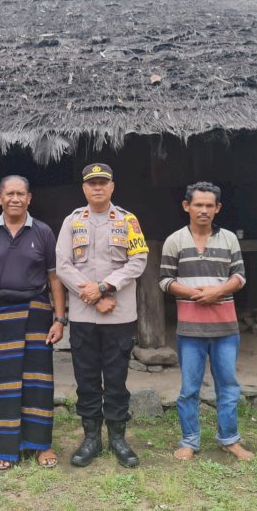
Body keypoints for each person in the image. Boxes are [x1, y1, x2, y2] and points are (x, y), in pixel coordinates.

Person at [0, 175, 67, 470]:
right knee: (3, 383)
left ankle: (41, 445)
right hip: (0, 312)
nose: (15, 199)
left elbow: (54, 278)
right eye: (9, 194)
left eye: (20, 194)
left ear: (29, 198)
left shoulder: (44, 232)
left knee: (38, 380)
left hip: (38, 310)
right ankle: (6, 447)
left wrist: (59, 319)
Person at [56, 163, 148, 468]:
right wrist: (95, 297)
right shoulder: (72, 221)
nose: (97, 187)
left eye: (103, 183)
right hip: (84, 314)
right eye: (91, 183)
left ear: (112, 187)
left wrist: (105, 287)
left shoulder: (128, 220)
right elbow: (63, 265)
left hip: (119, 314)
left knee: (117, 379)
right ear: (84, 188)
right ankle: (91, 438)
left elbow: (138, 261)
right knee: (87, 379)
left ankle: (118, 438)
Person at [159, 182, 253, 461]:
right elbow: (164, 281)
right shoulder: (175, 240)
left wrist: (219, 291)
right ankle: (189, 440)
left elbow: (240, 276)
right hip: (189, 328)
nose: (203, 210)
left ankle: (229, 439)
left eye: (209, 205)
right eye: (198, 205)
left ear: (218, 208)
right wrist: (192, 293)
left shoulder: (229, 240)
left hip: (226, 327)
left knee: (228, 385)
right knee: (189, 388)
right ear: (186, 206)